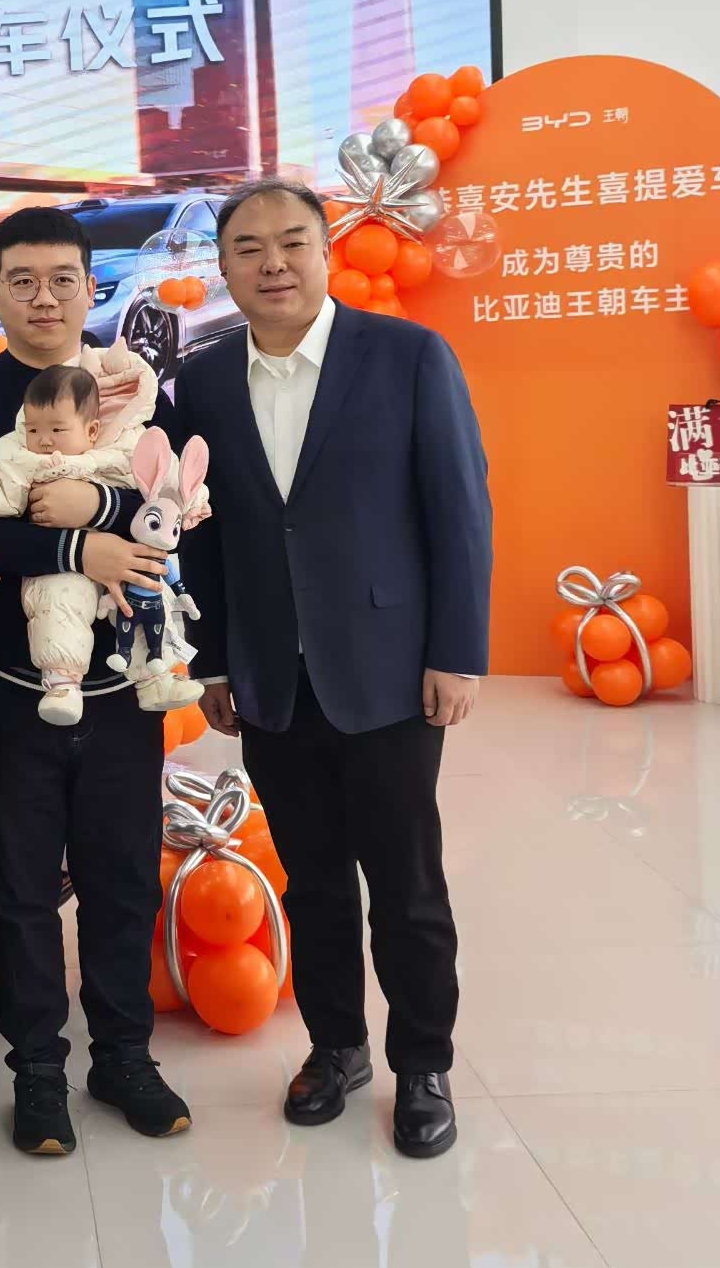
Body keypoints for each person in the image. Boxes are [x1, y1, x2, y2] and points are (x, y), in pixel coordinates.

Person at [172, 178, 492, 1157]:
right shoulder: (205, 381)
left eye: (292, 242)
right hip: (271, 676)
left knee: (406, 883)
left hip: (389, 670)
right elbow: (205, 537)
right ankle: (338, 1046)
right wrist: (212, 661)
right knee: (310, 879)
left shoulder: (407, 356)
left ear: (325, 251)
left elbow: (459, 509)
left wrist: (456, 653)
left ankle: (424, 1062)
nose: (272, 263)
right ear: (224, 267)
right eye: (249, 248)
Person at [0, 206, 192, 1156]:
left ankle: (124, 1056)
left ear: (90, 287)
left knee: (122, 881)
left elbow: (173, 499)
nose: (45, 298)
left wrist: (102, 503)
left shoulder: (132, 389)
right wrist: (80, 546)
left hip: (119, 686)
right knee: (20, 888)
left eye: (63, 280)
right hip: (5, 686)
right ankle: (37, 1070)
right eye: (24, 281)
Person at [0, 346, 199, 724]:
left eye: (57, 430)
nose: (44, 440)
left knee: (147, 599)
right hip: (21, 648)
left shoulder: (124, 444)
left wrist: (104, 505)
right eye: (34, 430)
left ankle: (156, 676)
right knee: (57, 603)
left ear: (92, 429)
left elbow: (168, 482)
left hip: (120, 687)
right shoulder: (15, 450)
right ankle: (62, 683)